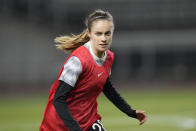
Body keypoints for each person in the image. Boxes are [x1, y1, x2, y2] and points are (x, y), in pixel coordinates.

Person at [39, 9, 147, 131]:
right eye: (98, 33)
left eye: (107, 33)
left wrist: (130, 112)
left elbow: (107, 88)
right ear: (89, 34)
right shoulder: (77, 61)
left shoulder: (109, 57)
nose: (104, 38)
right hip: (59, 125)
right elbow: (58, 100)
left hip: (88, 121)